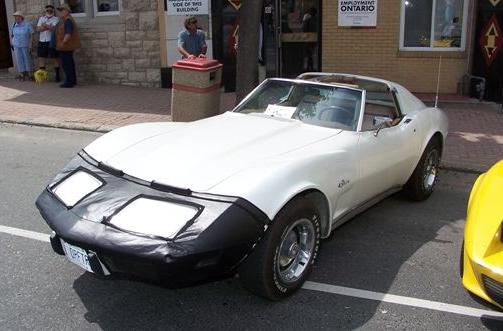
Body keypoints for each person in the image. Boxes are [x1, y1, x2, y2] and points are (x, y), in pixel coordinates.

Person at [56, 4, 81, 88]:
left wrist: (63, 42)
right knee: (70, 63)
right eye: (60, 10)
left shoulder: (68, 20)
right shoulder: (66, 20)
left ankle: (69, 82)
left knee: (67, 65)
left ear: (67, 11)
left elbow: (68, 34)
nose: (60, 12)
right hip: (67, 46)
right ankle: (72, 81)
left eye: (62, 10)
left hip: (66, 46)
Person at [36, 5, 60, 82]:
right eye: (47, 10)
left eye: (51, 11)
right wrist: (48, 26)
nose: (49, 12)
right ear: (45, 11)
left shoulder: (56, 19)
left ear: (53, 11)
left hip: (51, 41)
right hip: (42, 41)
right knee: (41, 58)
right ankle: (42, 78)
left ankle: (57, 76)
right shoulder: (41, 18)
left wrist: (44, 26)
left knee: (55, 58)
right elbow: (38, 29)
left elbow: (53, 28)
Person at [10, 11, 34, 81]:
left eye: (17, 16)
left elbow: (32, 34)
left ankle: (29, 74)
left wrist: (30, 44)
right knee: (19, 59)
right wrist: (11, 43)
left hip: (25, 44)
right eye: (15, 16)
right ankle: (22, 74)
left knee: (27, 59)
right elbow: (12, 35)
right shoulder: (13, 25)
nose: (16, 18)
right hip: (16, 45)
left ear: (21, 17)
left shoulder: (27, 24)